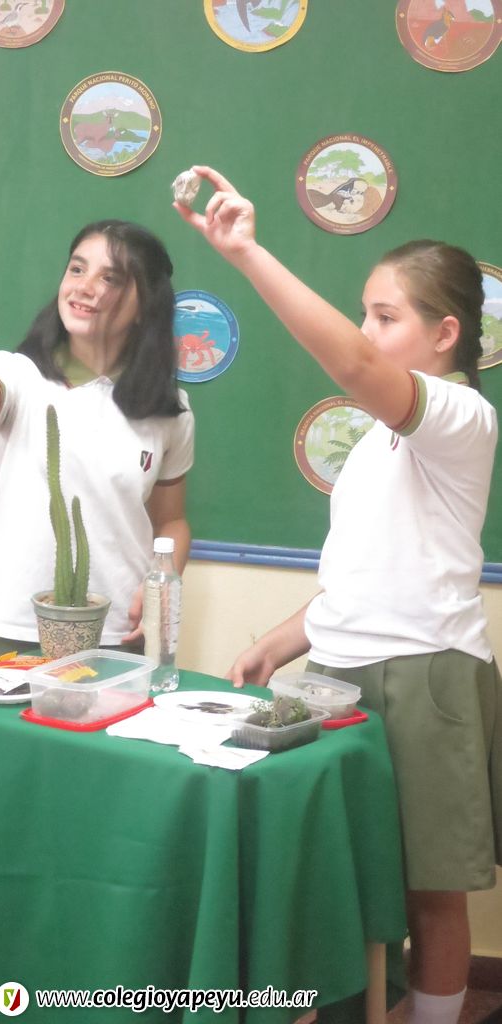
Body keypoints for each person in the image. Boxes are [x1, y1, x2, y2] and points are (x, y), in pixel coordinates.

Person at [176, 166, 500, 1024]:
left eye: (386, 317)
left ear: (445, 333)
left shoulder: (462, 418)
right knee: (350, 876)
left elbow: (353, 366)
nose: (366, 332)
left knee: (429, 889)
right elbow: (362, 577)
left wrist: (247, 254)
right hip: (339, 674)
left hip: (426, 676)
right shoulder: (373, 448)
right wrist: (281, 641)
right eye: (365, 312)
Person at [0, 207, 194, 665]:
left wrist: (163, 583)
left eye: (110, 278)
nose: (84, 286)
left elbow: (171, 521)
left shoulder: (169, 409)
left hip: (116, 633)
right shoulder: (17, 376)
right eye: (77, 269)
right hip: (11, 627)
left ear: (146, 305)